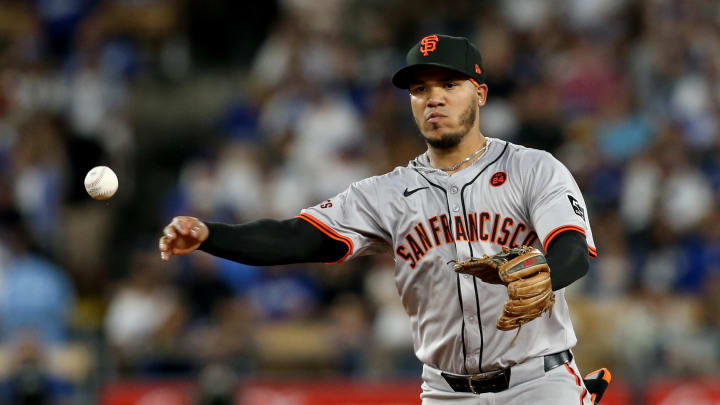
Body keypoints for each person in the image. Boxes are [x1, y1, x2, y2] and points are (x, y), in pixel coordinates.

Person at [159, 34, 600, 404]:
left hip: (538, 384)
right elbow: (300, 239)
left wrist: (545, 274)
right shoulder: (387, 193)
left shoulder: (533, 168)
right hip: (447, 392)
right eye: (420, 89)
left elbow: (572, 250)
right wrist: (209, 235)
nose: (434, 98)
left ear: (480, 94)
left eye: (449, 84)